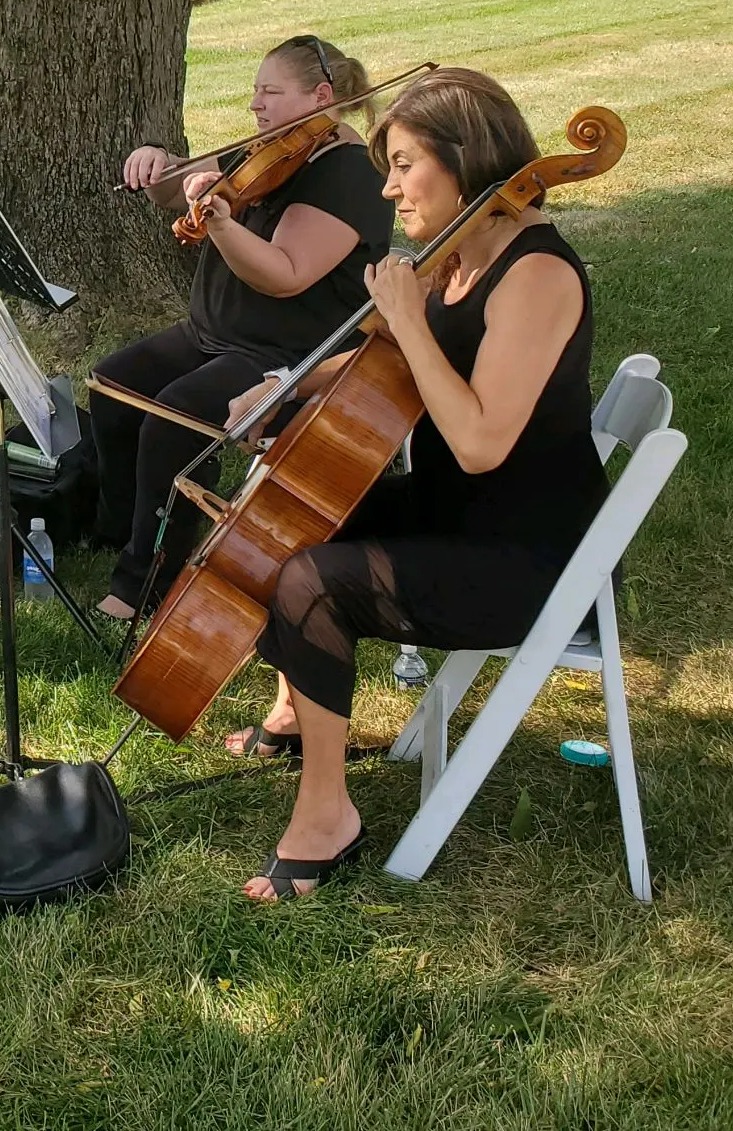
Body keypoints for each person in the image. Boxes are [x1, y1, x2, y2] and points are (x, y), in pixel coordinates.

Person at [230, 68, 611, 900]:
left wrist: (408, 316)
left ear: (464, 158)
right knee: (290, 516)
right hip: (458, 516)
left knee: (313, 580)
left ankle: (327, 818)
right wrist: (285, 385)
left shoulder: (537, 274)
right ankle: (296, 712)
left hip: (526, 560)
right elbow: (385, 357)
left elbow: (479, 441)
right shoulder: (462, 255)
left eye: (404, 165)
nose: (389, 188)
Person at [94, 35, 394, 621]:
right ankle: (119, 528)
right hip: (210, 335)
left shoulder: (350, 175)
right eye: (256, 90)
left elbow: (285, 274)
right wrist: (158, 164)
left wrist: (222, 225)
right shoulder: (274, 149)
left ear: (321, 97)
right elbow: (181, 186)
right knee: (114, 386)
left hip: (283, 353)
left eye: (270, 92)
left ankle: (147, 583)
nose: (255, 103)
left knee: (175, 417)